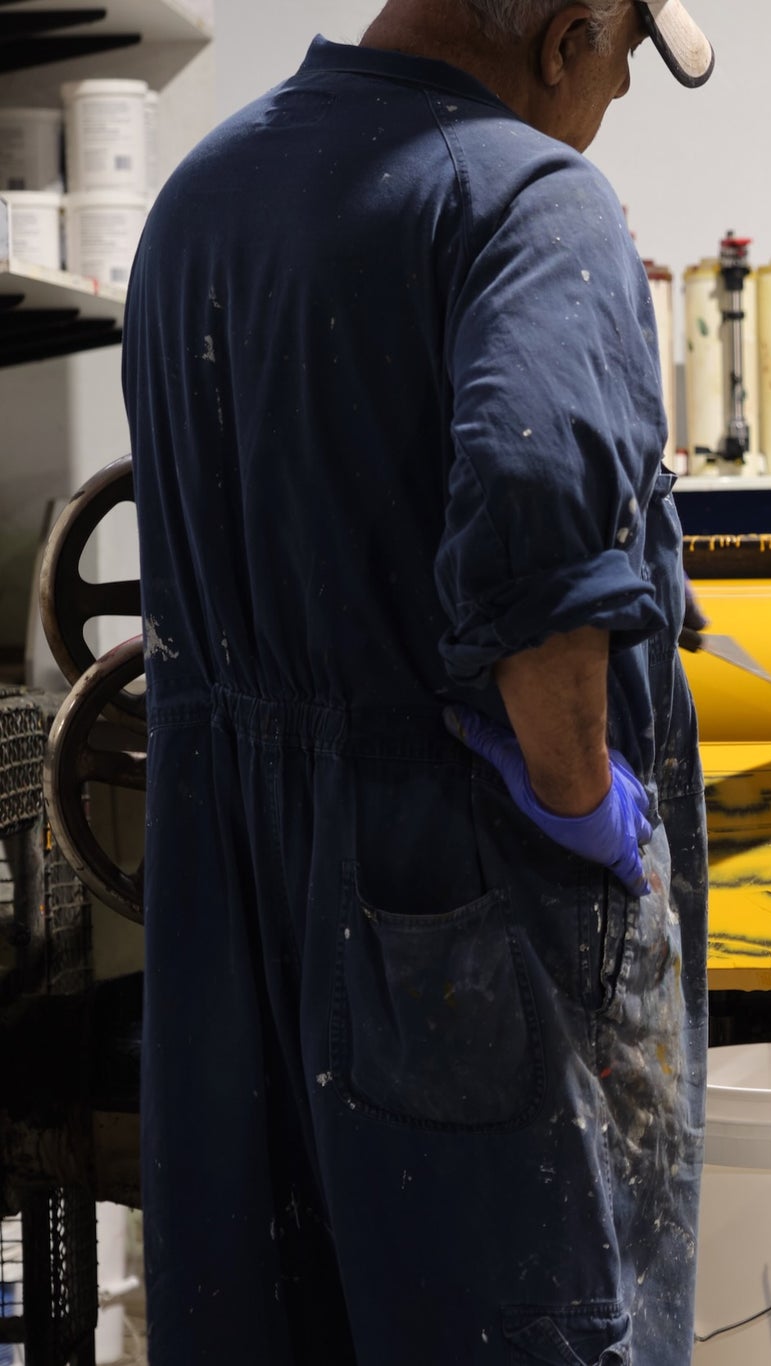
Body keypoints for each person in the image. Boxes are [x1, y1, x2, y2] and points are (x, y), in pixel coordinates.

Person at [121, 1, 715, 1360]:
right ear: (569, 35)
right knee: (526, 1317)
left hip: (223, 903)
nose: (614, 100)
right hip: (458, 909)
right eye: (626, 67)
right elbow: (538, 505)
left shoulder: (203, 194)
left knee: (270, 1316)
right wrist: (580, 807)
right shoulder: (530, 198)